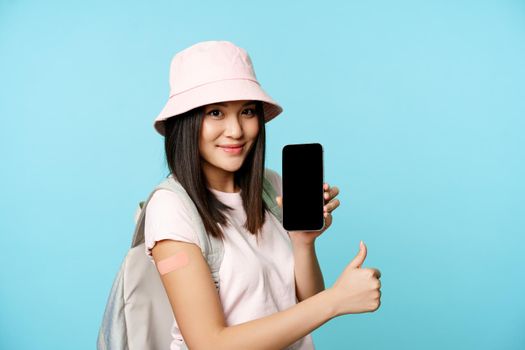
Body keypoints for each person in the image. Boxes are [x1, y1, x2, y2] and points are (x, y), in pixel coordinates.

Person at [144, 40, 382, 350]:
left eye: (246, 111)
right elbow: (209, 344)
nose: (236, 130)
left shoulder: (269, 186)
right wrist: (336, 300)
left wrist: (303, 242)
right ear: (185, 123)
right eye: (216, 113)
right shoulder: (171, 207)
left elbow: (304, 301)